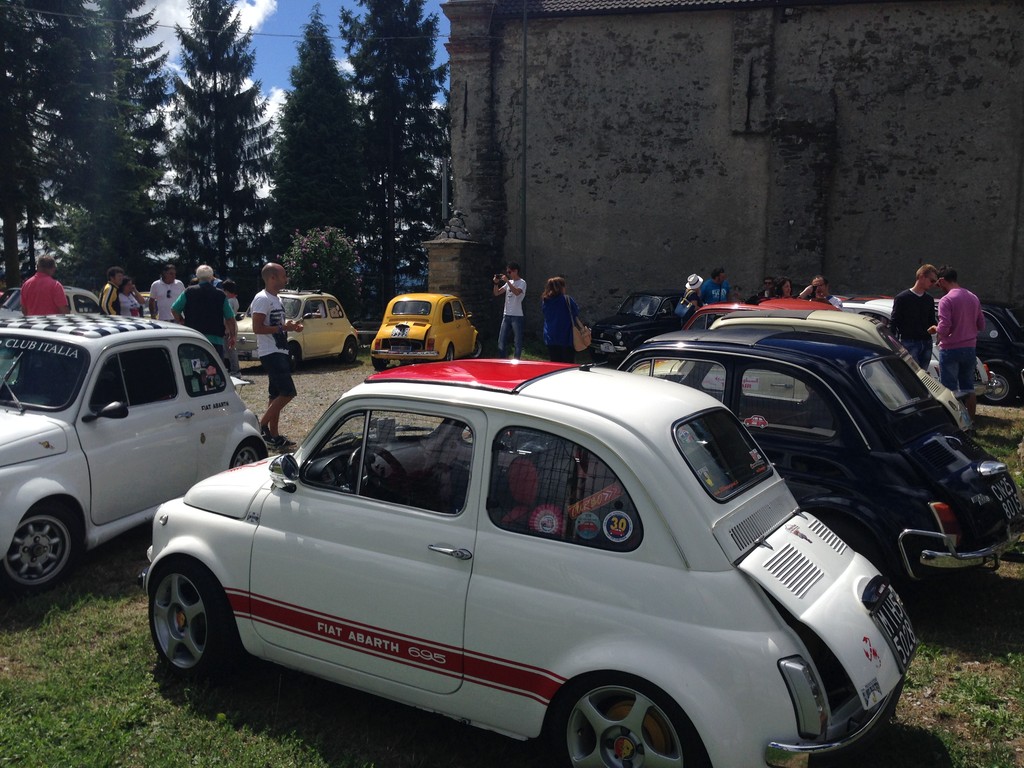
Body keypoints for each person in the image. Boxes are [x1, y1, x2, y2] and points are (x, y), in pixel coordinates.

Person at [250, 262, 303, 449]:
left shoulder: (276, 299)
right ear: (272, 278)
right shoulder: (262, 298)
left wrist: (291, 326)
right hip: (270, 352)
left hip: (280, 349)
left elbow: (278, 324)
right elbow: (257, 328)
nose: (286, 279)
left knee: (276, 395)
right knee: (288, 392)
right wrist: (282, 328)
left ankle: (274, 436)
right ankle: (261, 426)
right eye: (283, 275)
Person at [933, 266, 985, 423]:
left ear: (942, 280)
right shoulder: (973, 297)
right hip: (969, 348)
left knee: (949, 390)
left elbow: (944, 327)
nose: (938, 287)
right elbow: (981, 325)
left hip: (950, 349)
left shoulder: (946, 300)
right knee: (968, 388)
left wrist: (936, 330)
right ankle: (970, 422)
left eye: (938, 284)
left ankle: (954, 423)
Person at [171, 264, 237, 360]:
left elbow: (174, 309)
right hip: (215, 338)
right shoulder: (220, 294)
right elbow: (230, 318)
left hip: (193, 337)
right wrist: (232, 336)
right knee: (214, 367)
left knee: (194, 366)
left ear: (197, 276)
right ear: (212, 277)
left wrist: (182, 321)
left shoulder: (188, 291)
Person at [890, 264, 938, 369]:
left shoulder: (929, 299)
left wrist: (936, 328)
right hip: (909, 342)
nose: (933, 284)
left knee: (923, 373)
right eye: (932, 280)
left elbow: (932, 320)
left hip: (926, 342)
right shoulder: (902, 298)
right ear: (922, 277)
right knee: (912, 373)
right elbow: (894, 321)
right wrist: (892, 343)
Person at [541, 276, 579, 363]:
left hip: (551, 336)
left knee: (555, 363)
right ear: (562, 287)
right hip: (566, 337)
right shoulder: (567, 299)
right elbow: (576, 312)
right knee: (568, 364)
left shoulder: (546, 301)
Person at [493, 262, 526, 359]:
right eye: (507, 272)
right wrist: (496, 283)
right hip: (506, 315)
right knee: (501, 341)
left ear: (516, 271)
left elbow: (517, 292)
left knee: (517, 341)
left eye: (509, 272)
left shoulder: (522, 283)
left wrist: (507, 281)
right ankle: (502, 360)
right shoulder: (509, 282)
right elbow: (496, 293)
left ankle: (516, 360)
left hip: (517, 315)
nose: (508, 274)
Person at [220, 279, 243, 376]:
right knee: (229, 349)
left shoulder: (229, 301)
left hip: (228, 327)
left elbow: (228, 317)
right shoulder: (235, 300)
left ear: (226, 290)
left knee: (230, 350)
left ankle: (235, 370)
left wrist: (226, 329)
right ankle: (232, 369)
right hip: (232, 326)